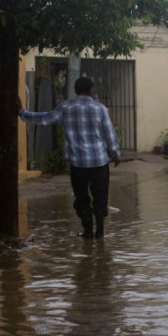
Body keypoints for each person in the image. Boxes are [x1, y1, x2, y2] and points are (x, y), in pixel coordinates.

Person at [17, 77, 121, 239]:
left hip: (77, 164)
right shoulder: (100, 109)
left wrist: (22, 113)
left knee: (81, 199)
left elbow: (45, 118)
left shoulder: (66, 108)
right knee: (100, 197)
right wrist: (115, 153)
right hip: (99, 163)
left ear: (75, 90)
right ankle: (99, 233)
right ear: (91, 91)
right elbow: (109, 134)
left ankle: (87, 231)